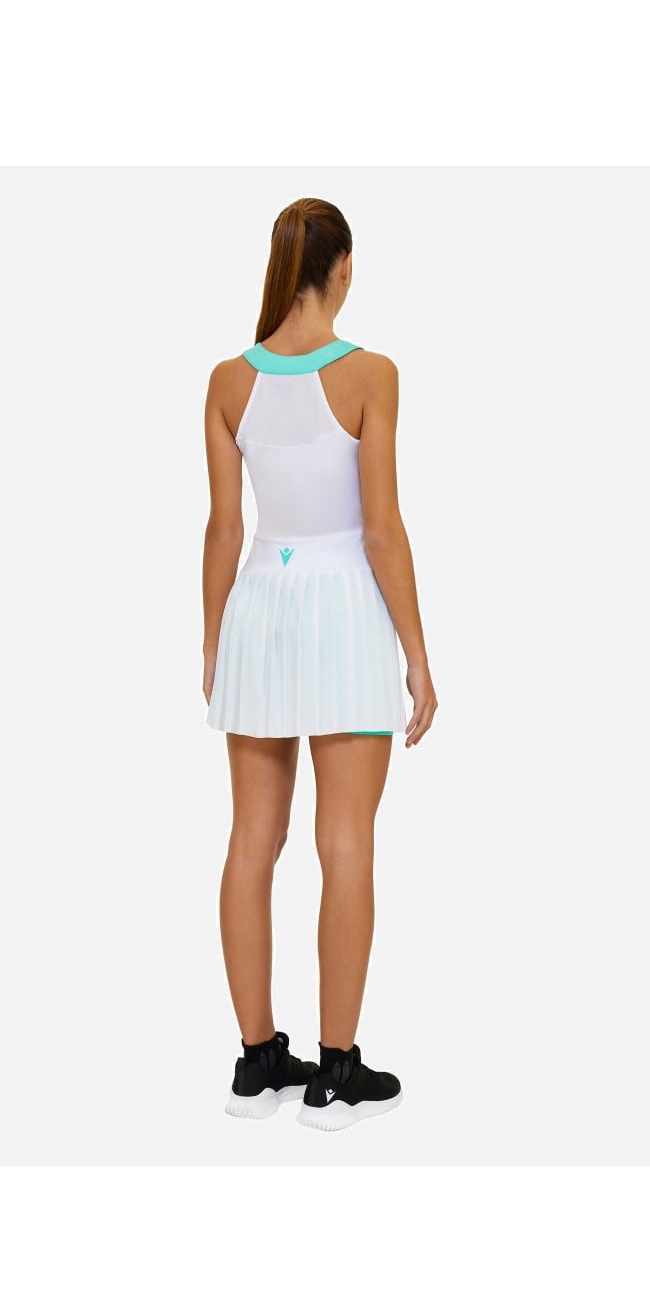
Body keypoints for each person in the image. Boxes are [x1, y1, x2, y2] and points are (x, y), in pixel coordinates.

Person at [201, 197, 438, 1132]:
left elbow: (226, 529)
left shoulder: (228, 381)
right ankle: (335, 1072)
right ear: (341, 268)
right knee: (346, 844)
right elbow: (381, 530)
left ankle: (258, 1062)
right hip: (344, 609)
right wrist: (418, 655)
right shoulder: (372, 374)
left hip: (260, 605)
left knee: (250, 842)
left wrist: (214, 639)